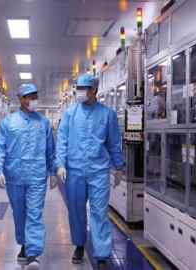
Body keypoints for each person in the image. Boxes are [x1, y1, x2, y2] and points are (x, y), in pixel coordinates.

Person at [55, 74, 124, 269]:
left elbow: (113, 143)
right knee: (76, 210)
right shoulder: (70, 114)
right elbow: (62, 140)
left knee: (99, 212)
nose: (79, 92)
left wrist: (119, 167)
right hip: (74, 171)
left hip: (98, 172)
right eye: (78, 88)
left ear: (94, 90)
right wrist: (60, 164)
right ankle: (79, 244)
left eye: (83, 89)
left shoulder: (107, 115)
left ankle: (101, 254)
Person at [0, 83, 57, 268]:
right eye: (29, 97)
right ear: (20, 99)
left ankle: (33, 253)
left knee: (35, 213)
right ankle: (24, 244)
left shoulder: (43, 123)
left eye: (35, 96)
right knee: (19, 213)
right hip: (14, 176)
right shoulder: (8, 123)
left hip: (37, 176)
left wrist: (53, 171)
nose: (32, 100)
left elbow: (50, 150)